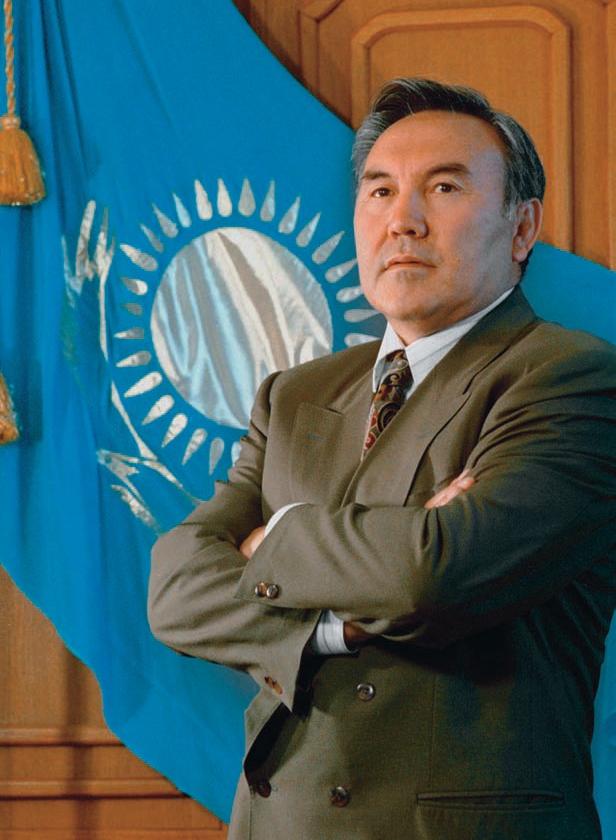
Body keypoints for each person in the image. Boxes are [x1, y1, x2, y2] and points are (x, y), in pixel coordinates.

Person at [148, 78, 616, 839]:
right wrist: (336, 626)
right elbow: (175, 589)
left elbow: (435, 570)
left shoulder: (571, 376)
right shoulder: (294, 395)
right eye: (380, 190)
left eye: (444, 187)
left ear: (522, 226)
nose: (403, 220)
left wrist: (277, 537)